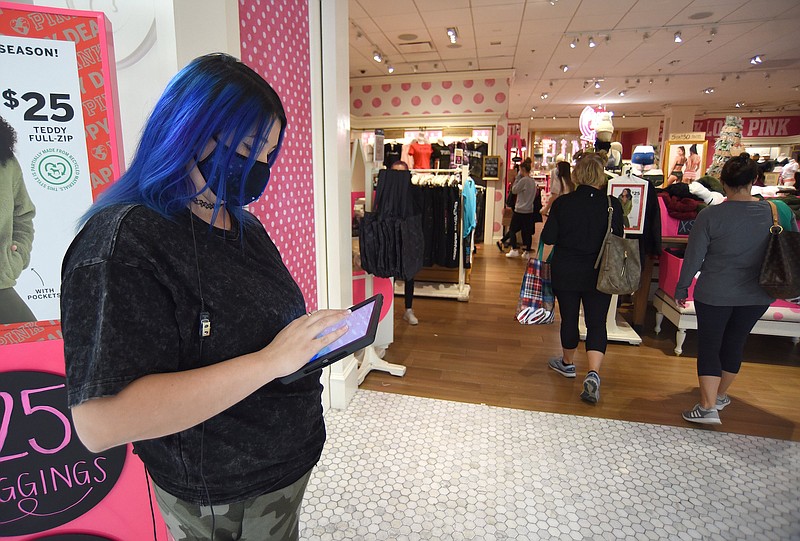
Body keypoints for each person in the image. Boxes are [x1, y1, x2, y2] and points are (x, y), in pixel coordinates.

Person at [60, 53, 350, 540]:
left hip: (282, 467)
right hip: (220, 493)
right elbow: (101, 423)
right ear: (184, 132)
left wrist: (304, 341)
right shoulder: (121, 246)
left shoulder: (240, 223)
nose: (255, 170)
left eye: (266, 157)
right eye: (243, 151)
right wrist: (270, 361)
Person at [675, 155, 798, 425]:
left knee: (710, 344)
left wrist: (682, 288)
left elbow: (694, 257)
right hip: (759, 292)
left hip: (714, 292)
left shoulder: (710, 215)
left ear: (722, 182)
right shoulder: (778, 211)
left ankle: (707, 406)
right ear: (755, 180)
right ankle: (718, 396)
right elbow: (791, 248)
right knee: (735, 341)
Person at [541, 153, 623, 403]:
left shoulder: (563, 203)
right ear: (600, 176)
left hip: (566, 270)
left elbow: (550, 237)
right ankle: (594, 373)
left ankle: (567, 363)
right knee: (597, 323)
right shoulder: (612, 204)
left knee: (569, 318)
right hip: (601, 272)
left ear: (577, 175)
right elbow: (618, 237)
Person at [0, 115, 37, 324]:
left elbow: (22, 215)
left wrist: (16, 255)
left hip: (1, 284)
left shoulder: (6, 161)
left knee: (38, 348)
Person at [390, 160, 419, 325]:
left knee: (409, 274)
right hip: (391, 237)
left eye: (402, 173)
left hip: (409, 236)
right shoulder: (387, 192)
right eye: (395, 172)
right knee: (390, 274)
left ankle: (408, 309)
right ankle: (389, 308)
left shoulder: (413, 192)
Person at [496, 161, 540, 258]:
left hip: (520, 209)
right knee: (527, 231)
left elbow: (514, 190)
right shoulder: (533, 181)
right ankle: (527, 252)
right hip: (529, 210)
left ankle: (514, 249)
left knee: (512, 229)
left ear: (522, 170)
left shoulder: (524, 180)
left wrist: (516, 179)